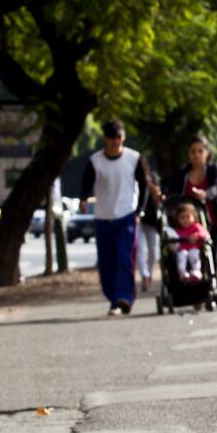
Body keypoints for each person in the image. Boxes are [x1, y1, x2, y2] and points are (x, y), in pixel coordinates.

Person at [88, 120, 154, 315]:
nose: (116, 141)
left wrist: (138, 211)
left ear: (123, 137)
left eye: (119, 137)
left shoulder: (134, 158)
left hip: (126, 215)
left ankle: (123, 297)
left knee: (124, 257)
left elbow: (143, 185)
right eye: (112, 138)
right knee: (107, 261)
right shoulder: (95, 161)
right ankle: (113, 296)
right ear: (105, 139)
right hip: (103, 216)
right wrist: (84, 199)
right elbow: (86, 183)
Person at [165, 135, 217, 261]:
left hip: (212, 220)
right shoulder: (182, 173)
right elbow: (172, 190)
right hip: (187, 223)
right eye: (193, 151)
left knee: (210, 255)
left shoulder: (213, 170)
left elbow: (216, 187)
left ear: (207, 153)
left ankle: (211, 279)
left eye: (200, 151)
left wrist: (205, 194)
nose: (196, 154)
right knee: (185, 254)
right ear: (189, 153)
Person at [168, 201, 207, 279]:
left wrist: (197, 235)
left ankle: (196, 271)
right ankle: (182, 273)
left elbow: (205, 234)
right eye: (182, 218)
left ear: (193, 217)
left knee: (194, 254)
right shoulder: (177, 230)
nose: (185, 220)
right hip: (182, 250)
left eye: (188, 217)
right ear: (178, 219)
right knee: (181, 255)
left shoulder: (196, 227)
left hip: (194, 249)